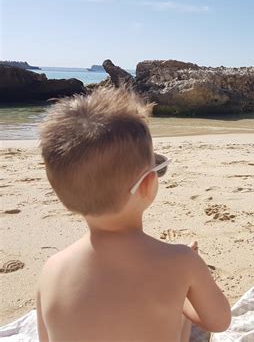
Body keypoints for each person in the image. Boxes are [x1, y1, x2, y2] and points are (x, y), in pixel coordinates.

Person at [36, 87, 231, 341]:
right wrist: (184, 286)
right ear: (149, 184)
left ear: (63, 198)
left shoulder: (52, 270)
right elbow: (219, 321)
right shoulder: (181, 262)